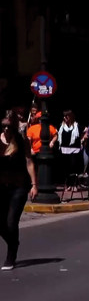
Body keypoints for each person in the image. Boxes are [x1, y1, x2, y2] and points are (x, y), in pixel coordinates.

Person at [0, 114, 38, 270]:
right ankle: (13, 242)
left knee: (11, 221)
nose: (6, 128)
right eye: (4, 125)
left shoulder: (22, 142)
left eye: (9, 125)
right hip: (1, 186)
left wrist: (34, 184)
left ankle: (11, 254)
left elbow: (29, 161)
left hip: (19, 186)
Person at [57, 110, 82, 190]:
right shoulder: (61, 126)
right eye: (64, 116)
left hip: (74, 150)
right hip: (64, 150)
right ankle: (68, 184)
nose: (65, 118)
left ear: (71, 116)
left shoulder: (77, 126)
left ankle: (74, 184)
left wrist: (83, 139)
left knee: (74, 168)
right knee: (66, 169)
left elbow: (86, 131)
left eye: (67, 116)